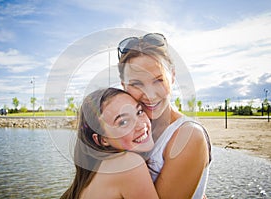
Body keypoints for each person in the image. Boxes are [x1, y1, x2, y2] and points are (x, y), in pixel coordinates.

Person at [117, 33, 212, 199]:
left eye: (158, 80)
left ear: (173, 75)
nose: (150, 94)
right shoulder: (131, 130)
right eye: (136, 83)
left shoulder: (188, 136)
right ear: (123, 85)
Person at [61, 87, 159, 199]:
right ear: (103, 139)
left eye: (139, 112)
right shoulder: (129, 164)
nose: (141, 125)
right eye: (123, 122)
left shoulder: (94, 175)